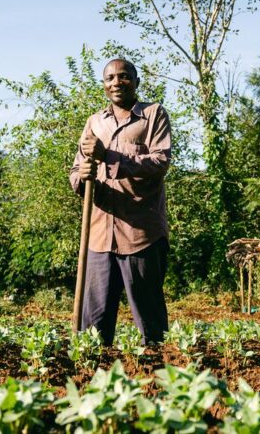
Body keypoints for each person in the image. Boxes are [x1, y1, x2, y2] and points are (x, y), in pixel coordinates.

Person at [69, 58, 171, 346]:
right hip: (99, 235)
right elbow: (77, 171)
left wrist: (110, 157)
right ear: (103, 85)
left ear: (136, 81)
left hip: (141, 235)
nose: (116, 82)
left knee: (151, 324)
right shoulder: (94, 123)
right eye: (110, 78)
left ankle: (158, 379)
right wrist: (81, 176)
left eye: (124, 76)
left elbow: (160, 162)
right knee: (94, 327)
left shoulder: (153, 115)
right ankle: (93, 380)